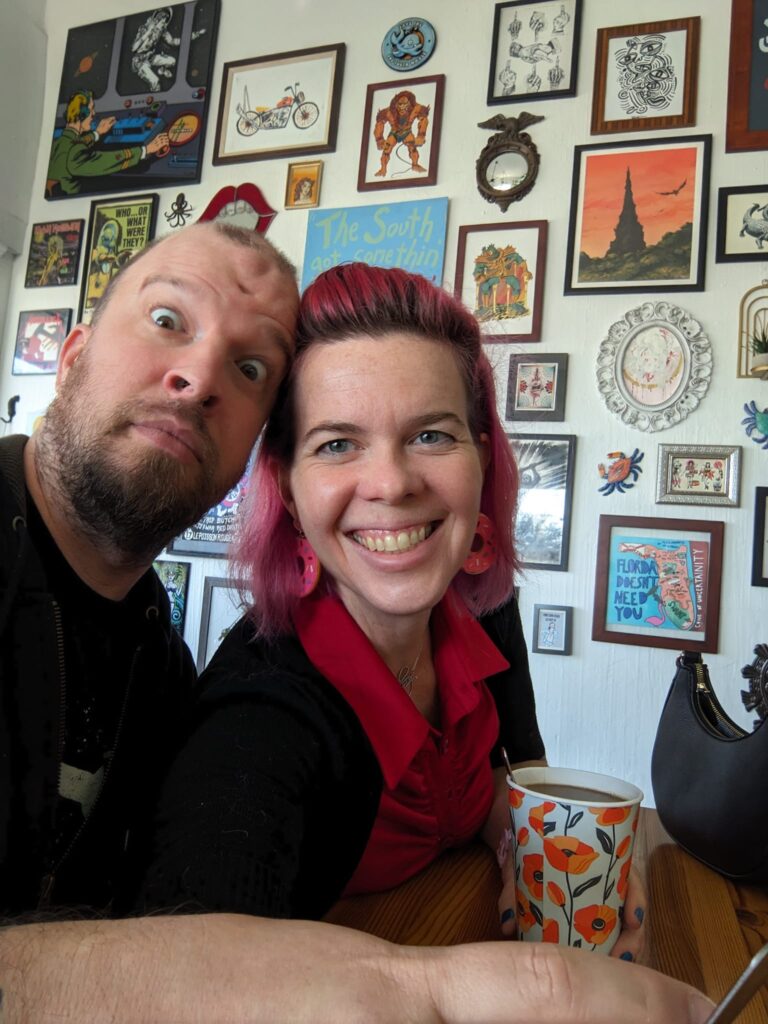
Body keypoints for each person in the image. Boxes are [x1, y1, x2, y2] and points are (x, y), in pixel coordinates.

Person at [0, 229, 714, 1024]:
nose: (391, 482)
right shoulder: (258, 712)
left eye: (248, 368)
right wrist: (428, 990)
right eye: (338, 442)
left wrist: (539, 846)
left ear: (482, 461)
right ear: (287, 488)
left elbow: (517, 775)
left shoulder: (151, 655)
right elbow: (193, 924)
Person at [46, 91, 170, 197]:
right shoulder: (74, 154)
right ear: (82, 115)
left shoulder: (59, 141)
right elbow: (105, 161)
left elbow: (77, 143)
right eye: (91, 109)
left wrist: (97, 133)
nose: (94, 114)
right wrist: (146, 150)